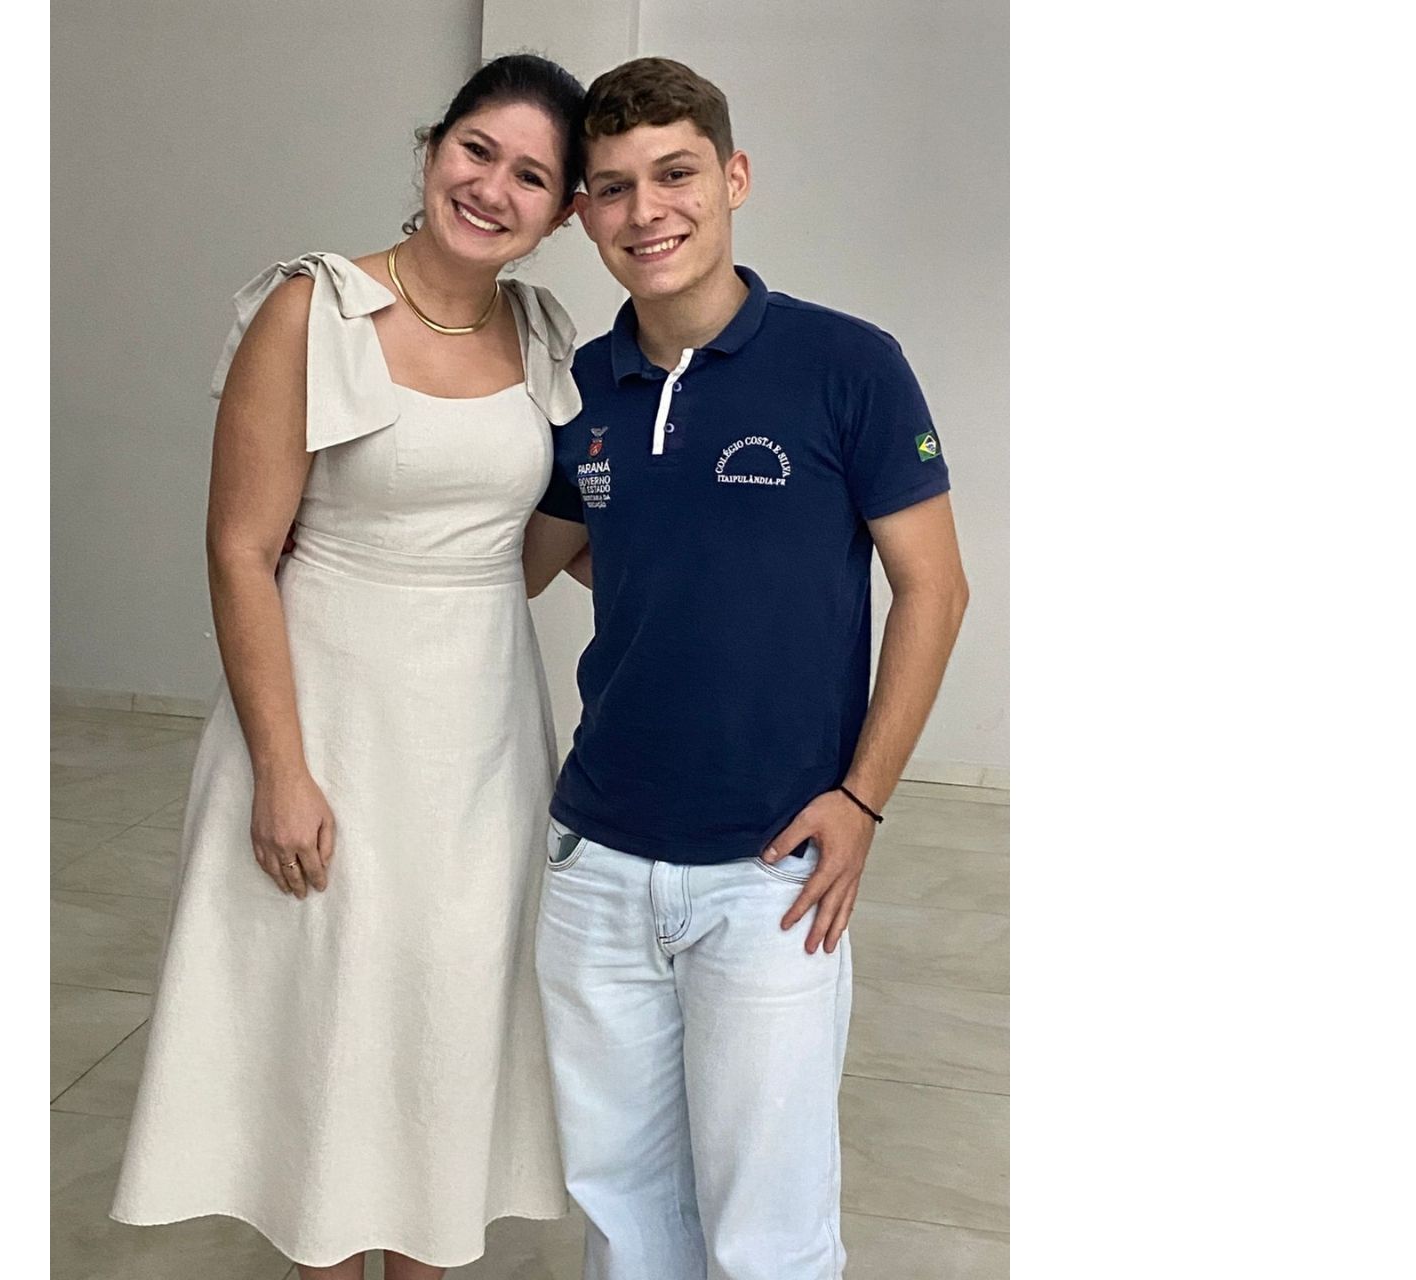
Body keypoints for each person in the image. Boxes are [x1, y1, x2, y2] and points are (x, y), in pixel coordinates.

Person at [111, 54, 588, 1280]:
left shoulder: (546, 335)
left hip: (481, 744)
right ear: (433, 147)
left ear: (560, 212)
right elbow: (239, 548)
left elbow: (531, 551)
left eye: (531, 176)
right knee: (331, 1041)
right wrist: (282, 770)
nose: (492, 188)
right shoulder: (311, 309)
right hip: (326, 726)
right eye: (476, 150)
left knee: (445, 1039)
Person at [519, 57, 972, 1279]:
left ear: (734, 177)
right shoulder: (585, 388)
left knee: (767, 1229)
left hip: (772, 867)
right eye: (613, 188)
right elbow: (532, 556)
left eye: (674, 174)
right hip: (596, 853)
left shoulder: (847, 363)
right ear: (583, 214)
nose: (646, 211)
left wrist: (863, 798)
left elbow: (935, 588)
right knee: (623, 1208)